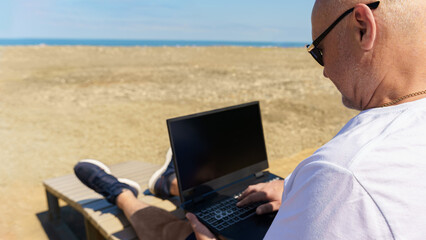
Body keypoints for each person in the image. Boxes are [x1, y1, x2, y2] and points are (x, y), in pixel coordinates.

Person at [74, 0, 426, 239]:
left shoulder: (344, 174)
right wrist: (296, 190)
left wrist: (321, 187)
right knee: (242, 200)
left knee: (178, 232)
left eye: (320, 50)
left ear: (362, 27)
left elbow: (352, 185)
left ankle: (120, 192)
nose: (325, 71)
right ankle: (171, 184)